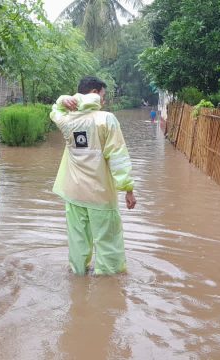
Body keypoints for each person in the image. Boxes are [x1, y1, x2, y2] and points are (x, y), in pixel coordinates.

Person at [50, 76, 137, 276]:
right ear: (95, 94)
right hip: (100, 195)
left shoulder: (67, 120)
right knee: (108, 243)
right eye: (103, 96)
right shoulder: (106, 119)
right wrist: (128, 189)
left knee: (78, 242)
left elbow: (55, 110)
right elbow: (118, 157)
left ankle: (78, 278)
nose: (104, 102)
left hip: (74, 193)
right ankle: (108, 288)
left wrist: (64, 100)